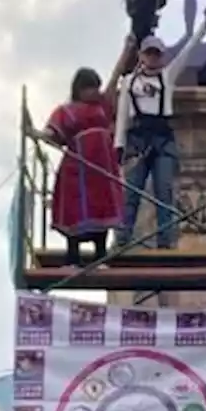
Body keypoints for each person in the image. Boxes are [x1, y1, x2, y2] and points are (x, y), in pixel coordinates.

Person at [29, 43, 132, 267]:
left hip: (102, 168)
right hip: (78, 169)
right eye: (90, 88)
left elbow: (116, 77)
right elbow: (53, 134)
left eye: (96, 87)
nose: (95, 91)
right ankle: (72, 258)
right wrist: (37, 133)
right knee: (76, 209)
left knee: (102, 208)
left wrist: (127, 49)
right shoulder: (65, 111)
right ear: (79, 89)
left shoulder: (103, 105)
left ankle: (100, 257)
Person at [113, 14, 206, 249]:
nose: (153, 58)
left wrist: (204, 26)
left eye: (157, 54)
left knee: (164, 190)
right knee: (132, 191)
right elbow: (123, 114)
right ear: (141, 55)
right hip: (138, 137)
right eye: (149, 53)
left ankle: (166, 241)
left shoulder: (167, 76)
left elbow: (188, 51)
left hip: (162, 137)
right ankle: (123, 238)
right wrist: (119, 145)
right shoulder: (129, 82)